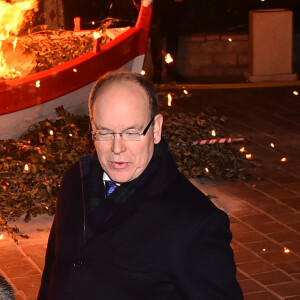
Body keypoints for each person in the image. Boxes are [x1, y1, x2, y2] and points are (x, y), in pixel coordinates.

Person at [38, 71, 243, 299]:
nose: (117, 148)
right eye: (105, 132)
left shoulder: (195, 222)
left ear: (156, 129)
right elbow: (54, 270)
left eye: (131, 132)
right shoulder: (75, 180)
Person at [150, 0, 187, 83]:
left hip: (173, 5)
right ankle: (157, 72)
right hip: (157, 5)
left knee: (173, 38)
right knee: (156, 39)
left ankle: (171, 72)